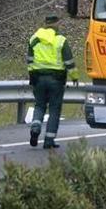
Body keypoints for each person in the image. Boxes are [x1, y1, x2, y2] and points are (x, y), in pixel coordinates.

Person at [27, 15, 78, 149]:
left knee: (39, 105)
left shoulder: (34, 39)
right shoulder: (61, 40)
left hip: (38, 78)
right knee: (54, 109)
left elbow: (29, 60)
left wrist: (32, 76)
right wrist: (74, 77)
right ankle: (49, 140)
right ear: (57, 24)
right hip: (56, 79)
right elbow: (69, 62)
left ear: (45, 24)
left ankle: (36, 127)